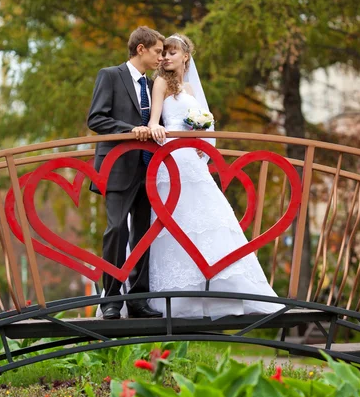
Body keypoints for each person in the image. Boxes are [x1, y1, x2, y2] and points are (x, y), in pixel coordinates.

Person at [147, 34, 282, 318]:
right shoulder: (160, 83)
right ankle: (176, 296)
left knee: (209, 221)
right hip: (170, 159)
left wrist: (201, 140)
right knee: (174, 222)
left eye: (172, 53)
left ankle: (223, 289)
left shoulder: (191, 90)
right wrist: (157, 129)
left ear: (186, 56)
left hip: (192, 161)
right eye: (165, 53)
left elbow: (203, 123)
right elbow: (154, 120)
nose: (166, 57)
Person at [87, 26, 165, 320]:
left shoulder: (153, 84)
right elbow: (96, 118)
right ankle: (111, 299)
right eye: (157, 51)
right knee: (116, 229)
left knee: (143, 234)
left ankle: (138, 300)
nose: (161, 56)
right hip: (118, 167)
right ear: (141, 49)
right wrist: (129, 130)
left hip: (149, 168)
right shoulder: (110, 75)